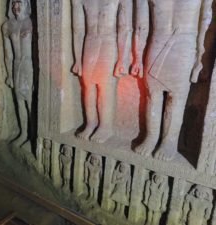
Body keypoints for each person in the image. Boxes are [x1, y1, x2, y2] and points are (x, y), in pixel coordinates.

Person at [131, 0, 212, 160]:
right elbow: (141, 25)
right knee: (152, 95)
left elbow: (206, 23)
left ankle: (169, 142)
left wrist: (201, 57)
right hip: (158, 42)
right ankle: (151, 137)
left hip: (185, 44)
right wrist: (138, 57)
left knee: (176, 98)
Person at [71, 0, 132, 143]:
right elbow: (78, 30)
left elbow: (124, 28)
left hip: (109, 41)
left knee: (105, 87)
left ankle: (105, 127)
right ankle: (91, 123)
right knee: (88, 86)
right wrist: (78, 60)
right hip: (90, 41)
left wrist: (122, 59)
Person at [2, 0, 33, 147]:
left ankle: (33, 136)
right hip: (16, 65)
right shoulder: (7, 26)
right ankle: (24, 133)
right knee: (19, 100)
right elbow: (8, 54)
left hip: (29, 65)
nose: (16, 7)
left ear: (26, 4)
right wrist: (9, 74)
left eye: (19, 2)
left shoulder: (31, 23)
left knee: (30, 101)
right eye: (13, 3)